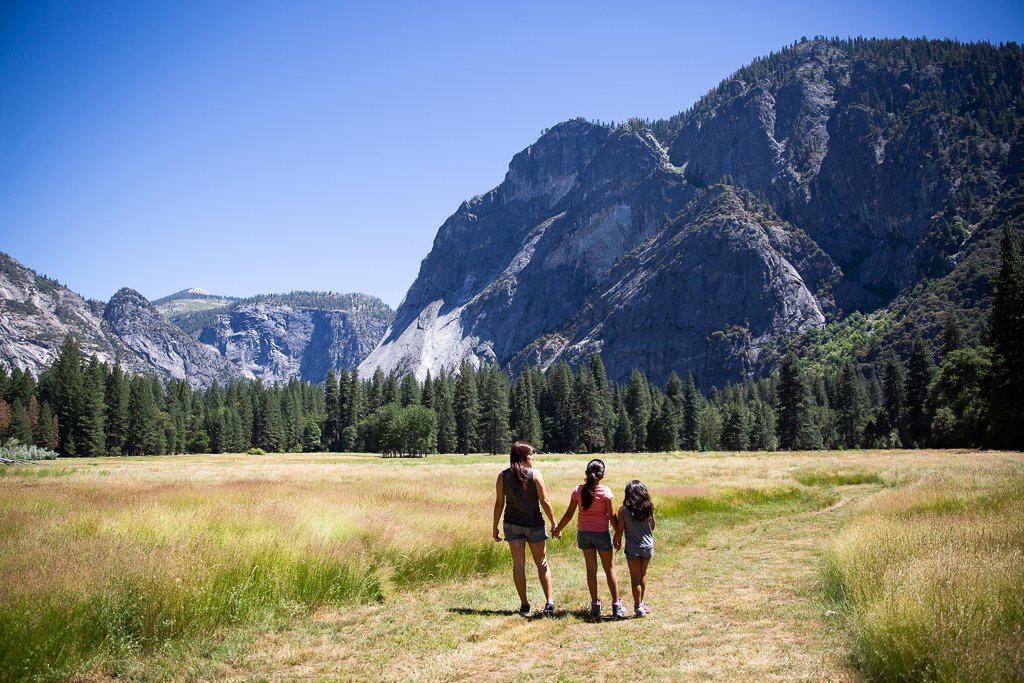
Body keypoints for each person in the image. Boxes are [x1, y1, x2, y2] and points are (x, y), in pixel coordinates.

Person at [553, 458, 626, 619]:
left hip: (584, 535)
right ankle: (616, 606)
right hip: (602, 534)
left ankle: (595, 606)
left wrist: (557, 529)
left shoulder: (577, 490)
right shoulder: (606, 492)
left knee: (591, 570)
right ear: (603, 475)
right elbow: (612, 517)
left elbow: (569, 514)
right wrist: (618, 535)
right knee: (609, 569)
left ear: (587, 473)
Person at [492, 441, 558, 616]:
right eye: (531, 454)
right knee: (542, 563)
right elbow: (545, 501)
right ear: (523, 457)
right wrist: (554, 522)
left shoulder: (502, 476)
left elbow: (499, 504)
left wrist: (495, 527)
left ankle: (524, 604)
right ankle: (549, 602)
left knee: (518, 565)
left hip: (512, 525)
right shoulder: (535, 474)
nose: (533, 457)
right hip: (534, 524)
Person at [613, 480, 655, 617]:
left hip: (633, 548)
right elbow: (653, 526)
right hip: (648, 546)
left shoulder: (623, 510)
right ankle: (641, 603)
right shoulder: (649, 507)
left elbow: (619, 529)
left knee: (635, 577)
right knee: (643, 575)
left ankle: (638, 607)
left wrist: (616, 540)